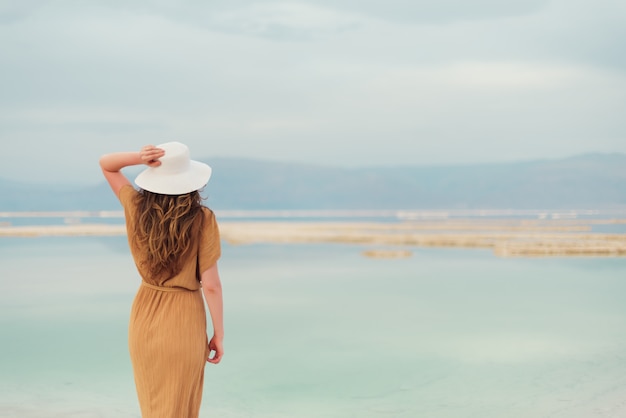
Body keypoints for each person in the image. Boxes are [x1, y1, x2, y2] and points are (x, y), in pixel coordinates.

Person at [99, 142, 224, 418]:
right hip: (185, 319)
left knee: (153, 405)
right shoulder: (202, 219)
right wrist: (219, 333)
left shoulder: (135, 205)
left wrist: (139, 157)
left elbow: (107, 164)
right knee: (181, 407)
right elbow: (212, 286)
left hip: (145, 317)